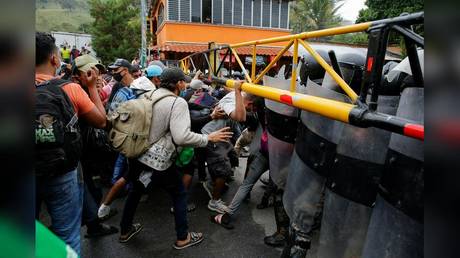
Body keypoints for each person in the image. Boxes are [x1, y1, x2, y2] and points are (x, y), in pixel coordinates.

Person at [118, 67, 233, 250]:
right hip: (157, 160)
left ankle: (125, 231)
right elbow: (181, 137)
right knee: (179, 193)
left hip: (137, 153)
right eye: (183, 81)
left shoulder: (151, 94)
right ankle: (183, 238)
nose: (185, 83)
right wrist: (208, 138)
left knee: (136, 191)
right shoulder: (176, 102)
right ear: (179, 83)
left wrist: (209, 116)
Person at [35, 32, 106, 256]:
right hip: (63, 171)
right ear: (55, 60)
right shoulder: (69, 89)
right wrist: (92, 87)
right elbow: (101, 121)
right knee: (67, 235)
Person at [201, 80, 257, 214]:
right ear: (250, 104)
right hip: (212, 136)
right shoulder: (233, 101)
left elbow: (229, 90)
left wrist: (236, 89)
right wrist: (237, 91)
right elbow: (240, 117)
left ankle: (216, 181)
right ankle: (214, 201)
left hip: (221, 135)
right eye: (252, 108)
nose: (252, 111)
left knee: (232, 157)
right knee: (224, 168)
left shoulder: (240, 96)